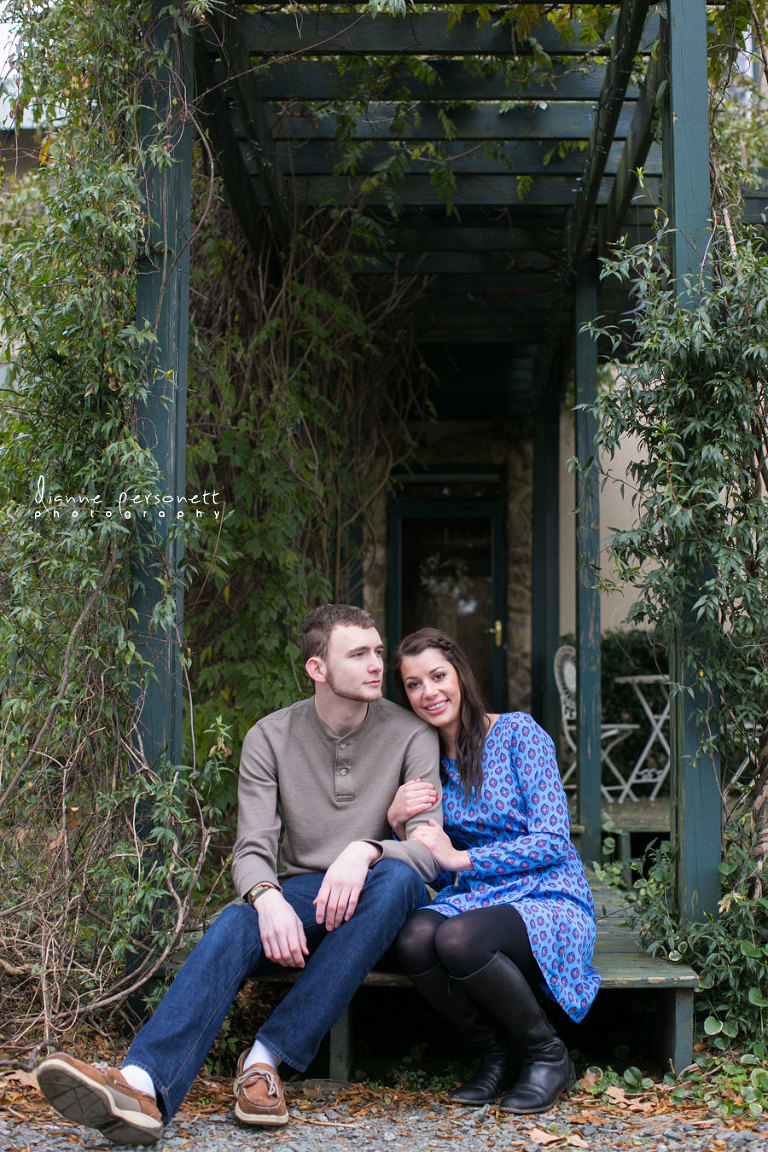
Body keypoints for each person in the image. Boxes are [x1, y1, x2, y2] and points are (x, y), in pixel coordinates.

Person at [37, 605, 442, 1145]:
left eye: (376, 651)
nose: (376, 665)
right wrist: (266, 896)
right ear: (317, 669)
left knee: (397, 879)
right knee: (235, 922)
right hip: (305, 894)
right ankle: (141, 1087)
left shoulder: (411, 734)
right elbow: (252, 849)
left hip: (383, 901)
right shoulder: (270, 737)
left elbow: (427, 850)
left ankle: (264, 1062)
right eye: (358, 654)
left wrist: (364, 849)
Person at [388, 626, 599, 1116]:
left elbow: (552, 839)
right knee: (416, 936)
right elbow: (436, 868)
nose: (429, 692)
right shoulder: (427, 766)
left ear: (460, 673)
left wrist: (466, 859)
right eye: (414, 684)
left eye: (437, 676)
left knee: (458, 939)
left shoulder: (518, 734)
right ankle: (496, 1054)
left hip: (549, 895)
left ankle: (547, 1055)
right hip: (478, 899)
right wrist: (400, 825)